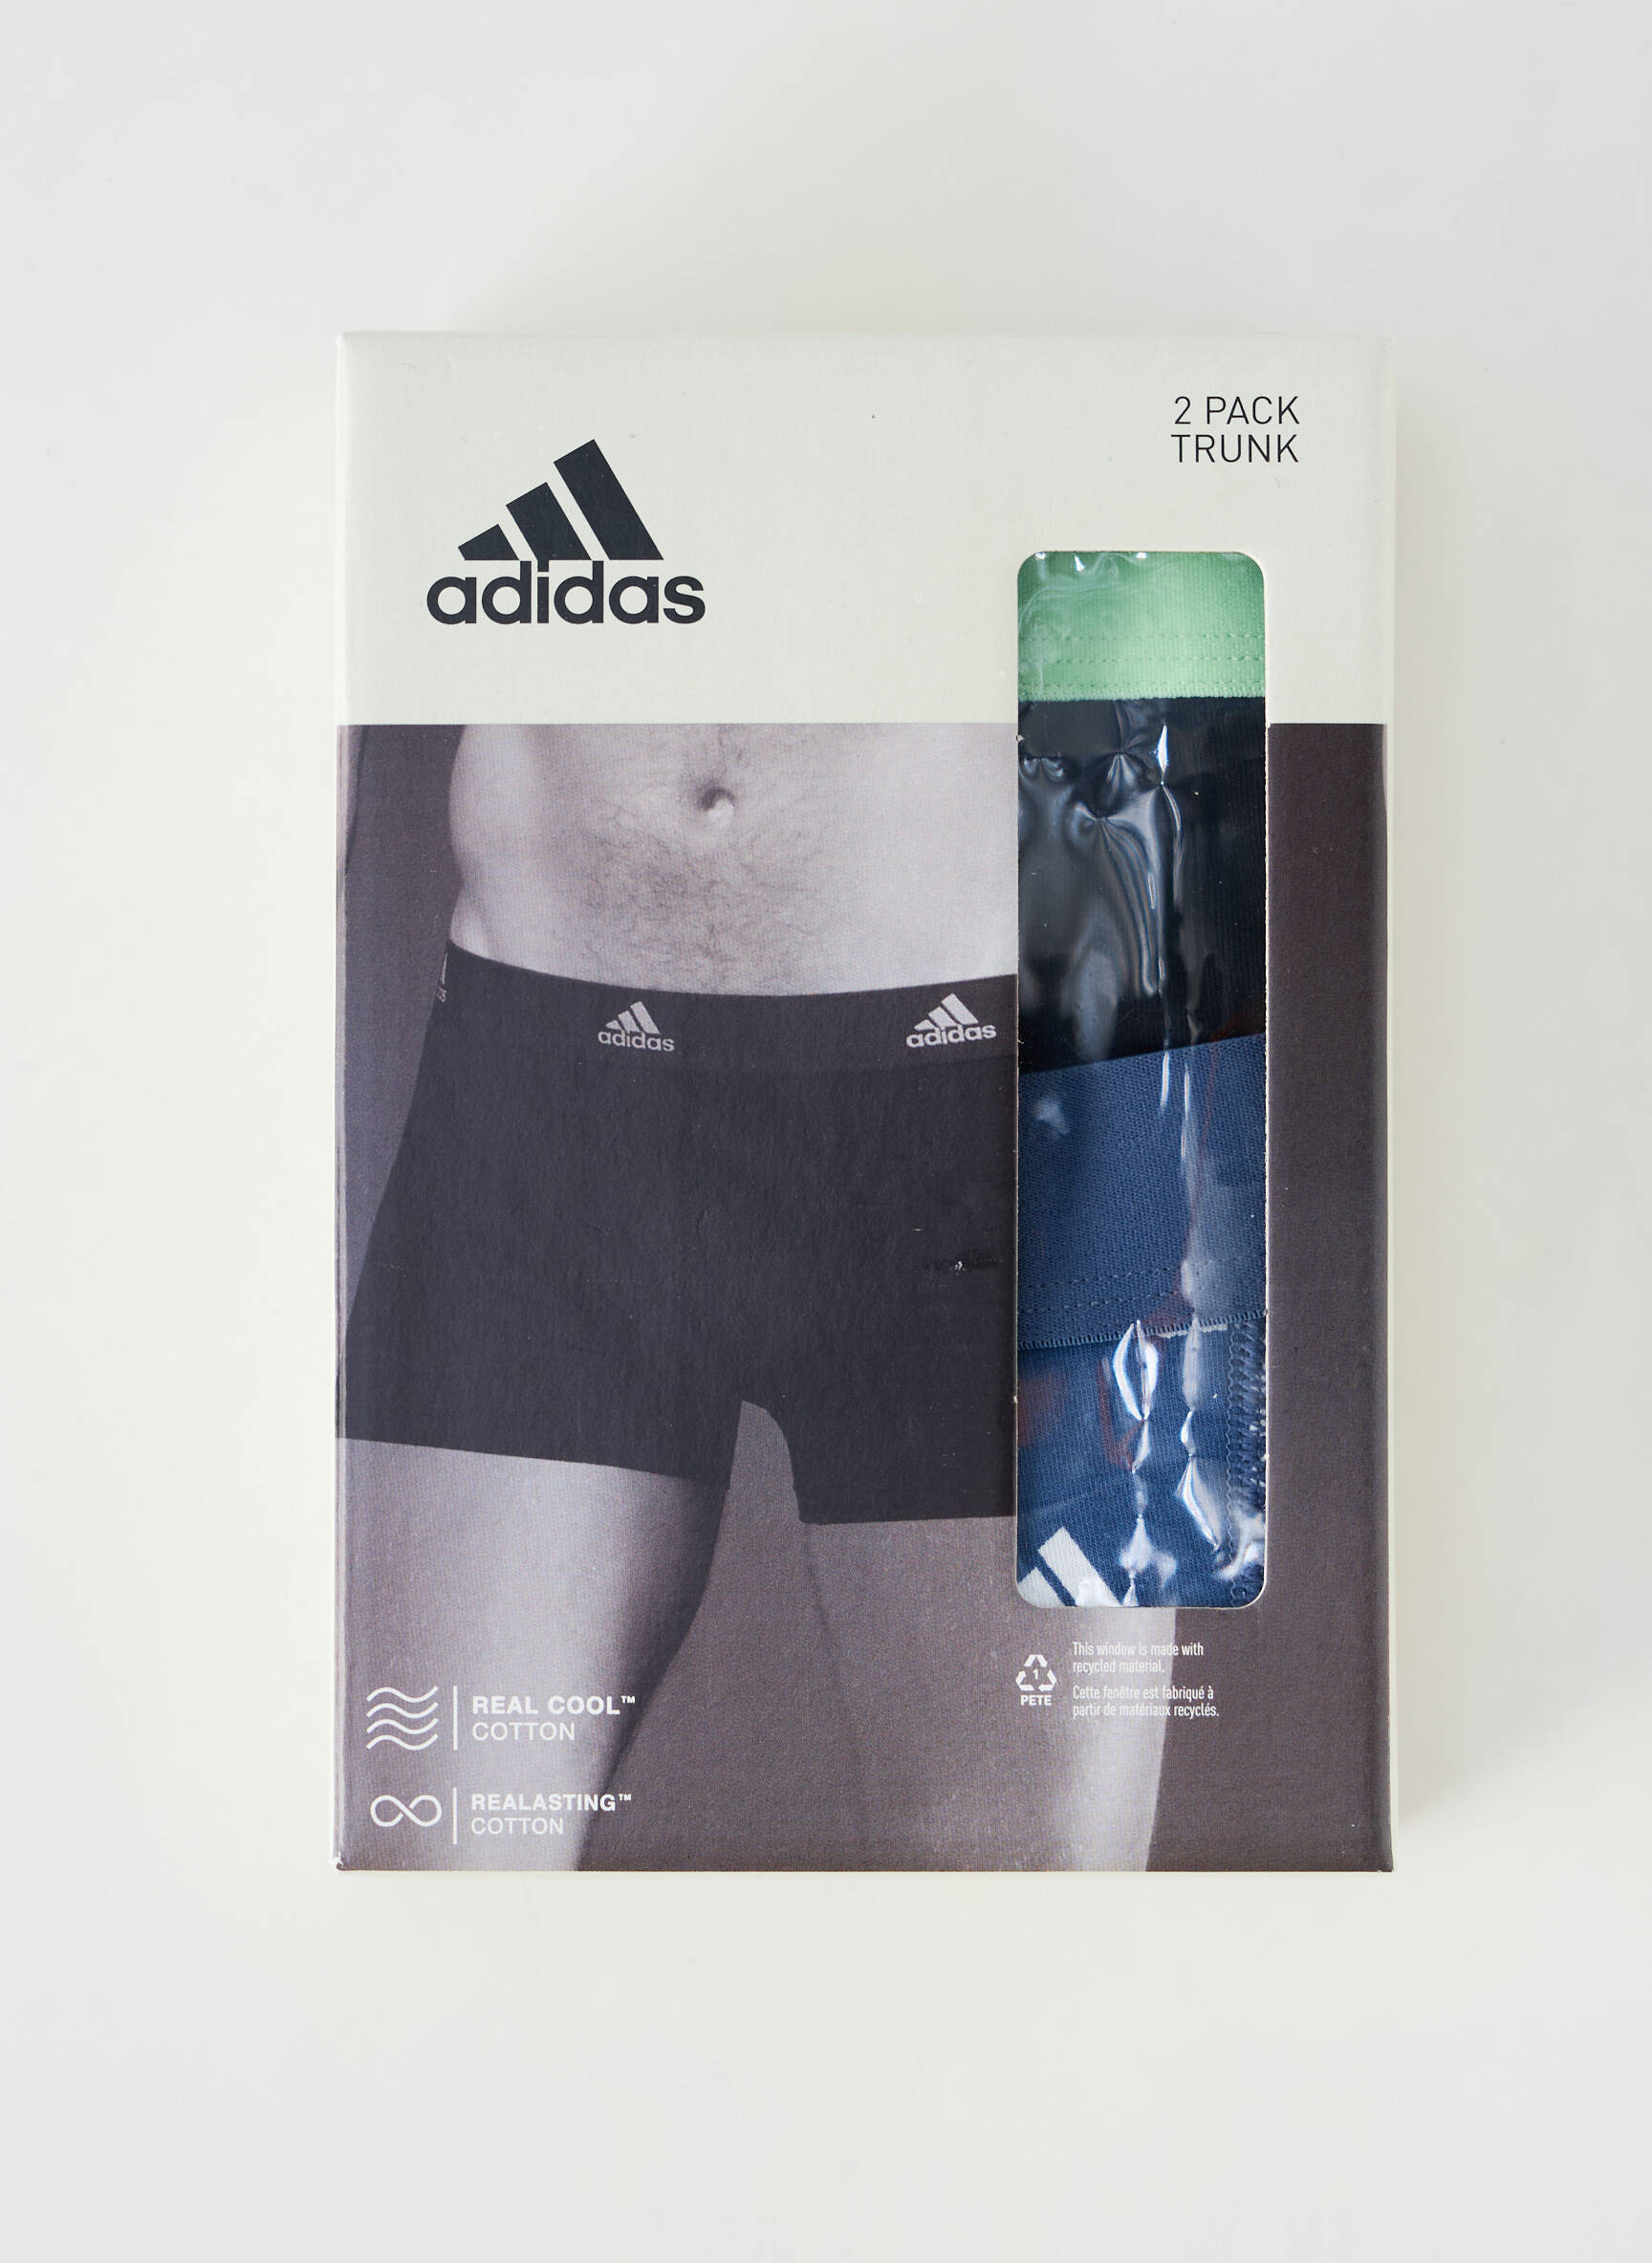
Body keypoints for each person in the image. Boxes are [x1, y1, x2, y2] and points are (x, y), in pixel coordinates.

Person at [339, 723, 1168, 1868]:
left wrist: (1168, 1114)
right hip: (537, 1097)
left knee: (1020, 1921)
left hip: (983, 1120)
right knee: (419, 1882)